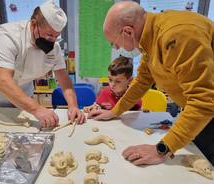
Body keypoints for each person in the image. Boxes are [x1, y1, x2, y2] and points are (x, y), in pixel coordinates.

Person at [88, 1, 214, 166]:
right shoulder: (151, 39)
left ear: (128, 31)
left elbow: (204, 101)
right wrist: (115, 112)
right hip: (203, 116)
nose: (117, 48)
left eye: (115, 43)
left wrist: (161, 149)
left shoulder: (177, 35)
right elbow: (142, 81)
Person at [0, 1, 85, 128]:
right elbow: (2, 81)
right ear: (33, 24)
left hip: (23, 101)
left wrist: (73, 106)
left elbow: (64, 80)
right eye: (49, 35)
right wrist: (38, 109)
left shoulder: (54, 48)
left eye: (56, 36)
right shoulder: (7, 36)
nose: (52, 41)